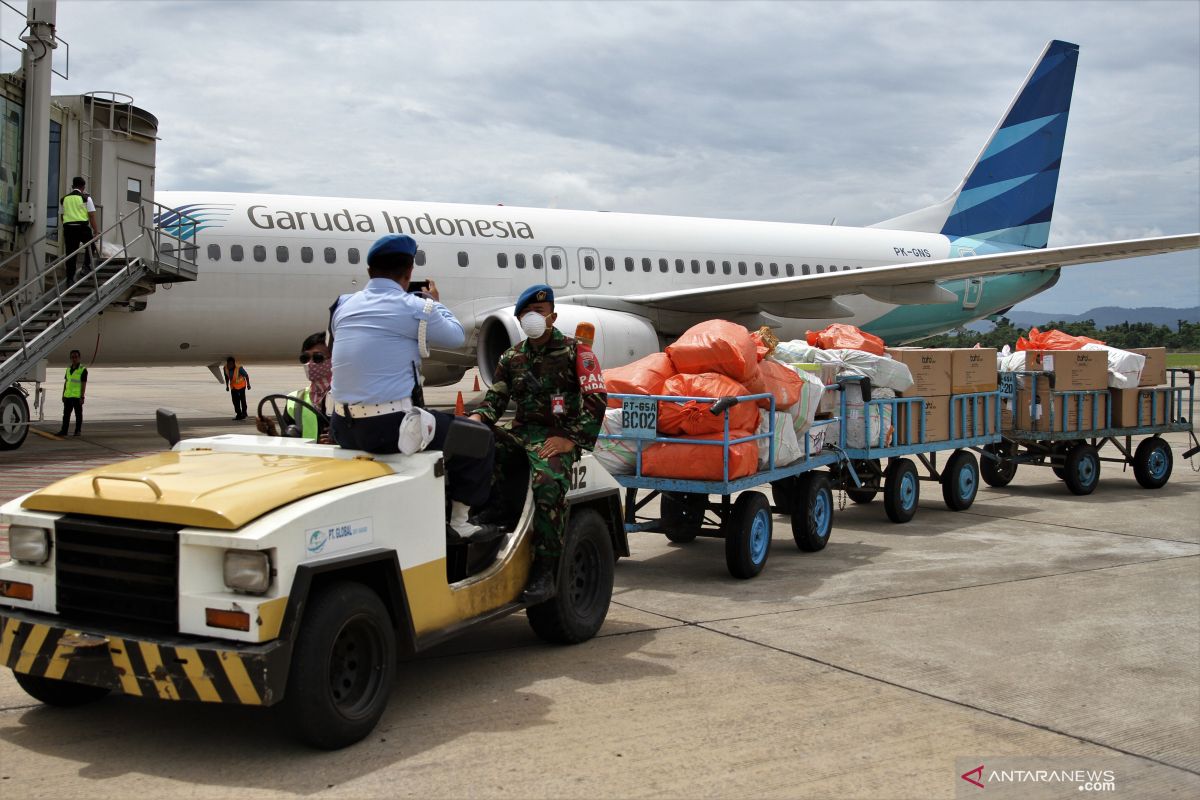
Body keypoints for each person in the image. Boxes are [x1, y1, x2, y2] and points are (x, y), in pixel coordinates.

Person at [329, 233, 497, 542]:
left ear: (369, 272)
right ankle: (461, 522)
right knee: (479, 439)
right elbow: (456, 337)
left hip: (341, 426)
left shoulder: (342, 305)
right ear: (408, 273)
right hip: (386, 428)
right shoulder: (415, 308)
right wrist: (436, 303)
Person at [469, 284, 607, 603]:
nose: (533, 318)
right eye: (527, 314)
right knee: (481, 444)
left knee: (546, 484)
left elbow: (596, 400)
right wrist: (475, 422)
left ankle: (545, 568)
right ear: (519, 320)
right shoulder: (512, 357)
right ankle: (495, 514)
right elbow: (495, 399)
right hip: (523, 433)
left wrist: (570, 440)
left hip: (557, 437)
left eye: (539, 312)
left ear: (553, 316)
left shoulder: (577, 353)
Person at [256, 332, 333, 441]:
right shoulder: (295, 401)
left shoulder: (352, 400)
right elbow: (288, 445)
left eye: (318, 357)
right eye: (305, 358)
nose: (310, 364)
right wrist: (271, 431)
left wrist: (341, 441)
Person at [60, 177, 100, 286]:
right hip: (82, 227)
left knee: (71, 253)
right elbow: (91, 216)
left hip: (69, 228)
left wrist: (66, 224)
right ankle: (86, 267)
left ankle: (70, 279)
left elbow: (62, 216)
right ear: (83, 187)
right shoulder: (86, 198)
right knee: (91, 245)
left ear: (72, 186)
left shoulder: (64, 199)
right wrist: (96, 231)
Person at [56, 349, 88, 437]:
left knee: (78, 415)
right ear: (70, 358)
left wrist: (82, 397)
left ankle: (78, 431)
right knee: (66, 415)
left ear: (79, 358)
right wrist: (63, 394)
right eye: (73, 357)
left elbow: (83, 384)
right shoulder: (68, 369)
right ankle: (64, 430)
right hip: (68, 396)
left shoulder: (83, 370)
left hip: (77, 397)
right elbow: (66, 382)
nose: (74, 359)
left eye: (76, 357)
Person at [223, 356, 251, 420]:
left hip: (241, 386)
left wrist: (248, 385)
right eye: (228, 364)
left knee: (243, 400)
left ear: (234, 364)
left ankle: (244, 413)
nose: (229, 365)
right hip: (233, 387)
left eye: (231, 364)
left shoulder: (239, 368)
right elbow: (226, 377)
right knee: (235, 401)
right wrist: (227, 386)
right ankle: (238, 414)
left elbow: (246, 375)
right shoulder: (225, 368)